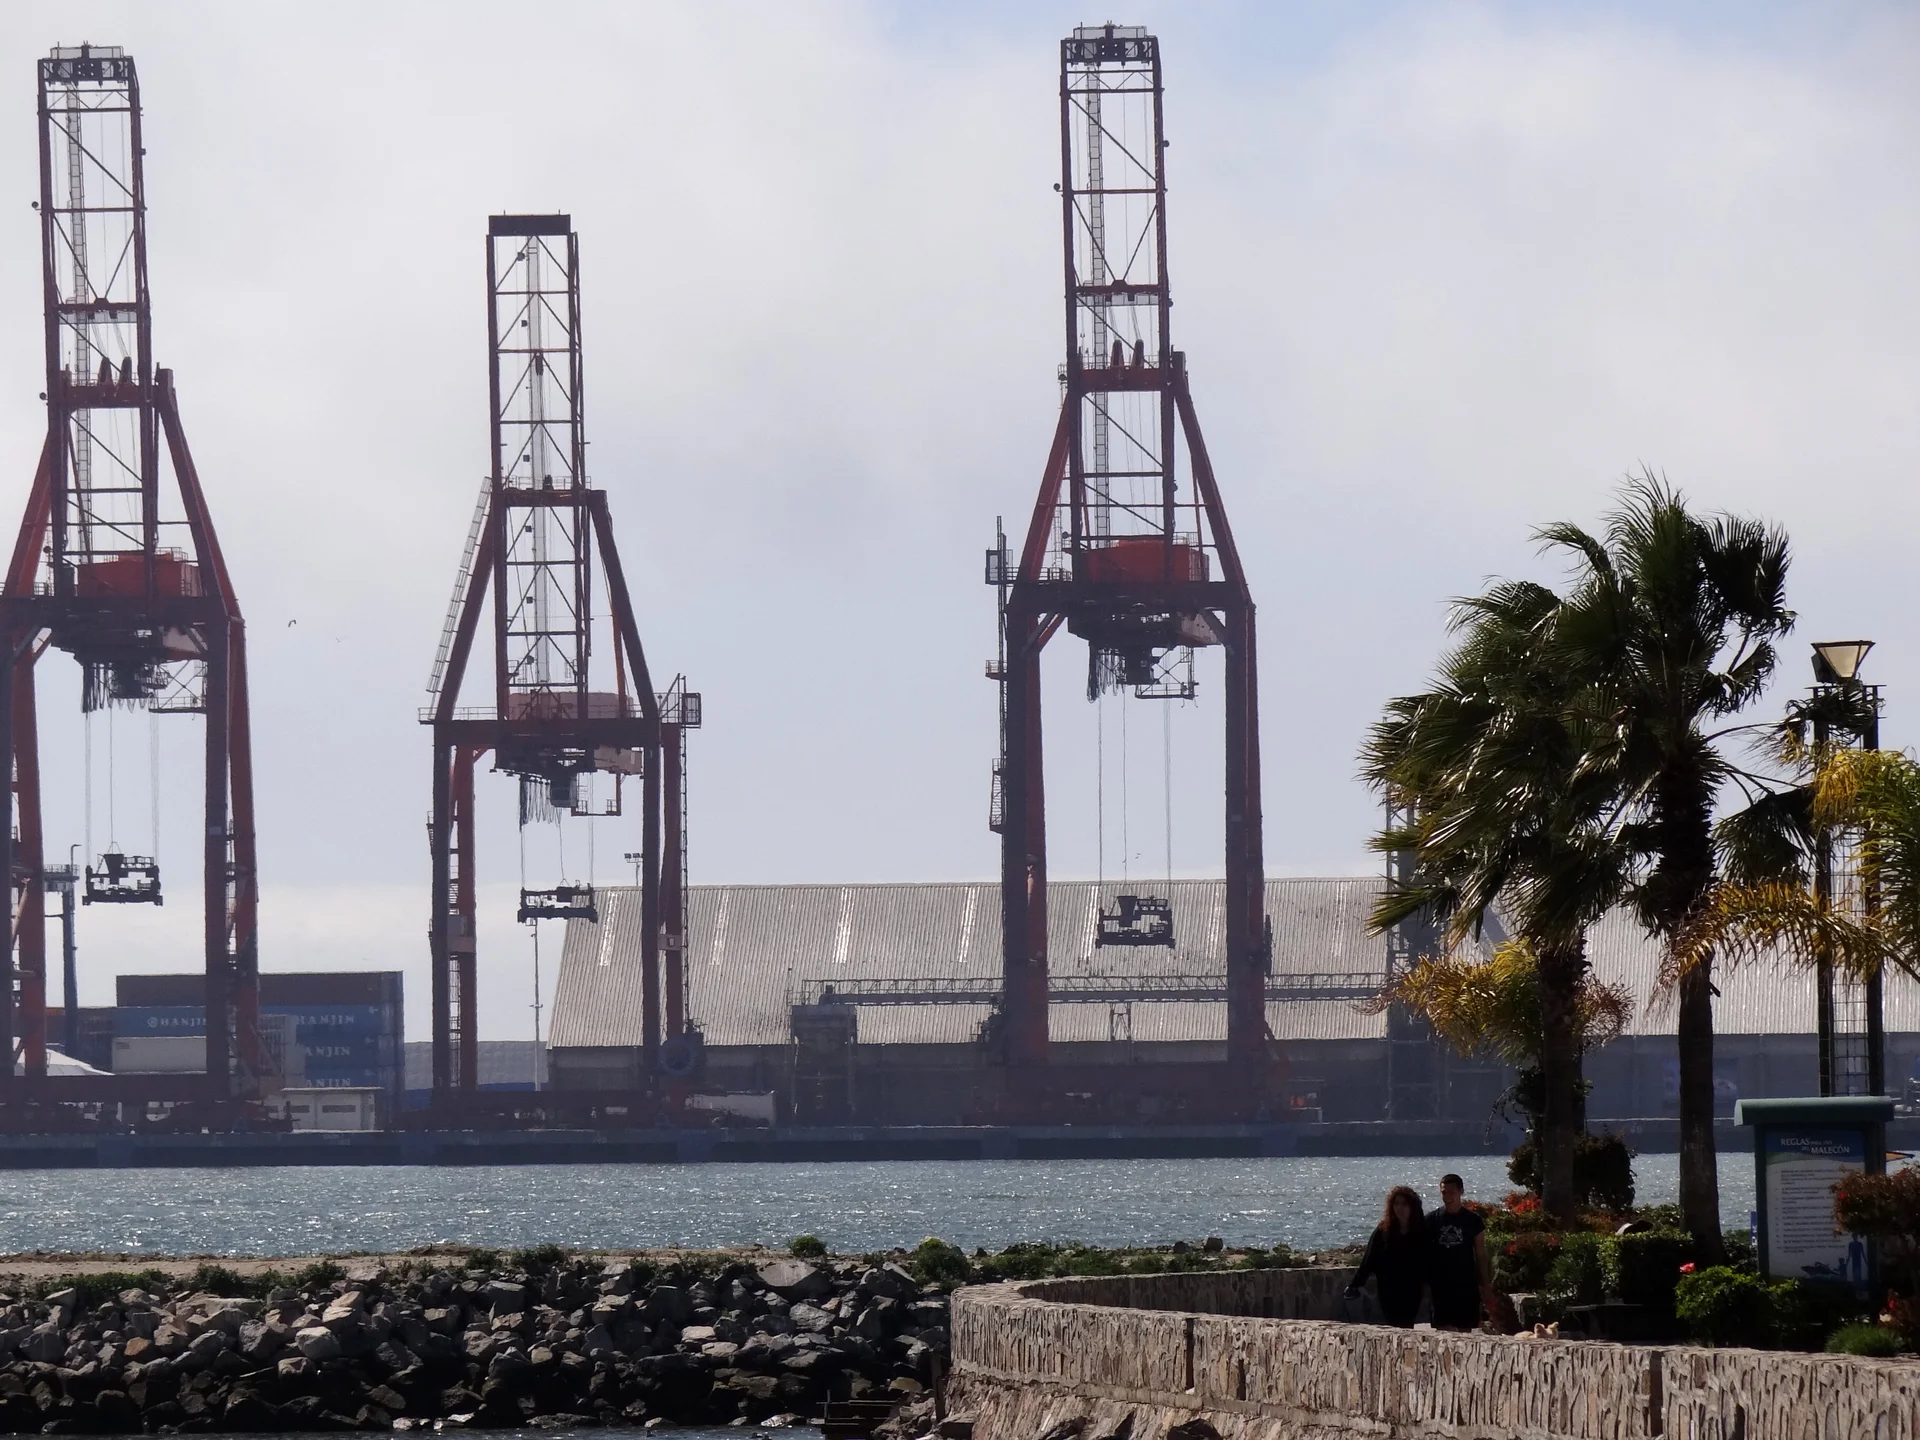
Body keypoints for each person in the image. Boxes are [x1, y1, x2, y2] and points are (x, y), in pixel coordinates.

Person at [1344, 1185, 1427, 1326]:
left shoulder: (1421, 1230)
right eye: (1396, 1204)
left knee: (1407, 1324)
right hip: (1389, 1288)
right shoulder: (1383, 1231)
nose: (1400, 1208)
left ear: (1413, 1207)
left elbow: (1428, 1259)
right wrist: (1355, 1284)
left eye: (1404, 1204)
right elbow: (1369, 1259)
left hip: (1412, 1288)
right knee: (1394, 1324)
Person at [1425, 1172, 1495, 1331]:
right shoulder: (1431, 1220)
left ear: (1461, 1192)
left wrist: (1485, 1285)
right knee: (1444, 1336)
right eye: (1444, 1192)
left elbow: (1480, 1255)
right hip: (1441, 1287)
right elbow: (1424, 1253)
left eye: (1452, 1192)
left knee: (1465, 1334)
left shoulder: (1473, 1220)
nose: (1447, 1196)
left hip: (1466, 1286)